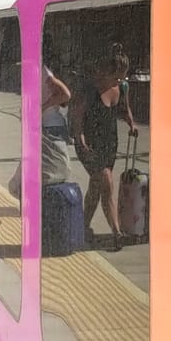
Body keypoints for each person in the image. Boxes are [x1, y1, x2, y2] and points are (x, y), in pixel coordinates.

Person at [71, 44, 136, 249]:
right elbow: (78, 117)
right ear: (106, 72)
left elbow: (125, 110)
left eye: (123, 77)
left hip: (109, 143)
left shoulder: (121, 88)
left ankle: (82, 227)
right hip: (89, 143)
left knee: (96, 186)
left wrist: (131, 124)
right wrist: (79, 136)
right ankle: (117, 233)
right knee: (106, 182)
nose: (120, 81)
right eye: (117, 77)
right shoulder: (90, 90)